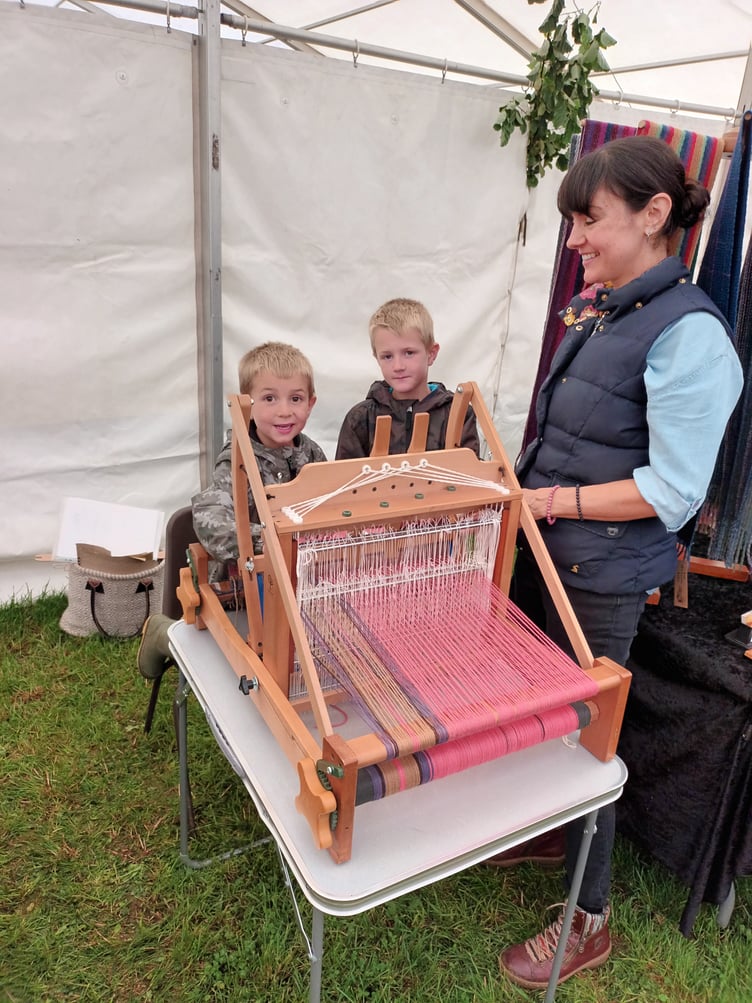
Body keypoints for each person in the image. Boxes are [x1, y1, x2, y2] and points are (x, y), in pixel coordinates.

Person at [493, 134, 743, 990]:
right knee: (535, 711)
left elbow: (671, 490)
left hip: (596, 570)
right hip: (543, 549)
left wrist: (553, 503)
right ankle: (544, 831)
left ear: (655, 213)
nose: (574, 241)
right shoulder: (614, 307)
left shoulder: (692, 336)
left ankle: (588, 915)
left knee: (590, 742)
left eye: (587, 221)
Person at [137, 341, 326, 680]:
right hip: (239, 592)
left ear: (310, 404)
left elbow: (329, 504)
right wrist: (273, 541)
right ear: (245, 406)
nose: (284, 411)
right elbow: (210, 523)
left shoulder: (312, 455)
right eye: (269, 399)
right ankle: (164, 634)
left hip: (296, 584)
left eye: (295, 399)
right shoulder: (235, 461)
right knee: (227, 667)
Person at [335, 297, 480, 459]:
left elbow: (469, 475)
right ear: (377, 358)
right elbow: (343, 479)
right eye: (387, 356)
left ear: (431, 353)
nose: (398, 366)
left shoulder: (457, 413)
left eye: (409, 353)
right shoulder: (360, 418)